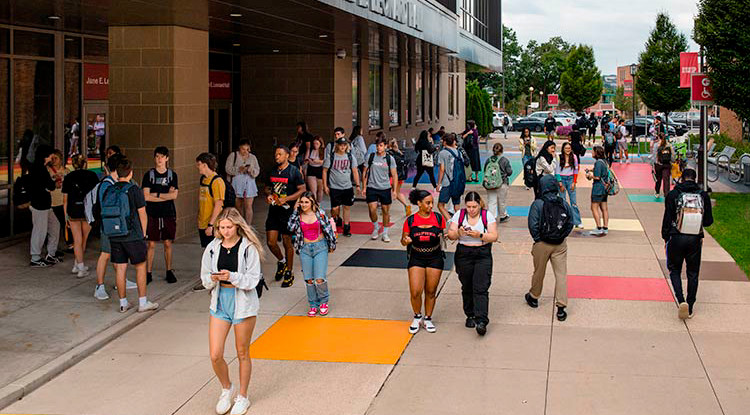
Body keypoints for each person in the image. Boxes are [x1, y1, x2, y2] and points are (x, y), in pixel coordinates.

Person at [200, 208, 263, 415]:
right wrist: (214, 278)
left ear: (237, 226)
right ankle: (227, 388)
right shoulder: (212, 248)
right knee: (215, 354)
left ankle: (242, 396)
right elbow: (205, 278)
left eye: (229, 227)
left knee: (242, 352)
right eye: (222, 227)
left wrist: (231, 277)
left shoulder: (248, 248)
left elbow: (253, 279)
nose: (225, 231)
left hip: (243, 303)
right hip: (220, 301)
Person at [106, 157, 158, 313]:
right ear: (130, 173)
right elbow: (143, 213)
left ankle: (123, 303)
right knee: (140, 266)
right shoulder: (134, 189)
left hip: (115, 234)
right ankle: (143, 302)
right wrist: (143, 233)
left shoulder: (110, 189)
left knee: (120, 268)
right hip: (133, 234)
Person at [661, 168, 713, 320]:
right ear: (695, 179)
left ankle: (681, 300)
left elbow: (667, 218)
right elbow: (709, 222)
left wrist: (665, 237)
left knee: (674, 270)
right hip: (695, 239)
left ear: (682, 178)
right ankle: (690, 306)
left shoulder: (673, 194)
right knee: (693, 272)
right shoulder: (702, 195)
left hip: (676, 237)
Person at [446, 192, 498, 335]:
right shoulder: (459, 215)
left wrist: (480, 235)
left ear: (479, 204)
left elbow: (494, 236)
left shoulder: (487, 216)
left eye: (474, 207)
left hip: (482, 253)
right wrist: (459, 233)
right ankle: (470, 314)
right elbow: (450, 233)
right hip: (464, 254)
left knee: (481, 287)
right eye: (469, 207)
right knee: (467, 285)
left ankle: (482, 320)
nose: (471, 210)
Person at [525, 175, 574, 322]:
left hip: (542, 244)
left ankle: (534, 296)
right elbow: (570, 222)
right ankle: (561, 307)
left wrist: (538, 239)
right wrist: (562, 236)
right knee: (561, 275)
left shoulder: (538, 204)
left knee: (539, 272)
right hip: (560, 244)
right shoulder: (563, 203)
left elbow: (532, 225)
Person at [401, 189, 446, 334]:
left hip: (435, 257)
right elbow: (403, 240)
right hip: (416, 257)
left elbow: (447, 234)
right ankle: (417, 316)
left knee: (431, 291)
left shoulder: (438, 219)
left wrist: (450, 234)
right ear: (419, 204)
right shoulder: (410, 220)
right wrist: (405, 240)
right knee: (415, 291)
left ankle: (428, 318)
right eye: (427, 203)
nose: (431, 206)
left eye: (432, 203)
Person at [288, 192, 337, 317]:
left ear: (312, 203)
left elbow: (328, 229)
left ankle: (323, 302)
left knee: (319, 278)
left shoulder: (319, 214)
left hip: (320, 247)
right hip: (305, 248)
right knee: (309, 280)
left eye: (306, 202)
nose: (304, 205)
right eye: (302, 202)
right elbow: (290, 227)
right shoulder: (298, 215)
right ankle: (313, 304)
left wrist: (332, 246)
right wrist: (294, 210)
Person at [266, 146, 306, 287]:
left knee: (287, 242)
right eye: (275, 154)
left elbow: (302, 189)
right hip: (274, 211)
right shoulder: (272, 170)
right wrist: (269, 195)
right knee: (271, 242)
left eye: (280, 154)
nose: (277, 156)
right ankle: (282, 261)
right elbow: (267, 187)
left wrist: (287, 198)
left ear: (287, 155)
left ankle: (289, 272)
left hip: (288, 212)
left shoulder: (294, 171)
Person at [142, 146, 179, 284]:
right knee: (151, 244)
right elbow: (145, 196)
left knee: (168, 243)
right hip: (152, 213)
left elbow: (174, 195)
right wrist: (165, 196)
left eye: (162, 157)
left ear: (167, 158)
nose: (159, 159)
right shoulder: (149, 175)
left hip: (168, 212)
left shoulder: (172, 175)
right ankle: (148, 272)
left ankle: (169, 271)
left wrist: (155, 194)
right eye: (157, 156)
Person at [62, 154, 99, 277]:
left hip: (73, 210)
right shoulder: (92, 176)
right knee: (84, 239)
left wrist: (65, 216)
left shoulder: (68, 177)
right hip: (87, 210)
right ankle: (80, 265)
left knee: (76, 239)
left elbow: (65, 200)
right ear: (85, 163)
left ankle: (78, 264)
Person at [361, 136, 398, 242]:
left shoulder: (389, 159)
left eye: (381, 145)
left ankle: (385, 233)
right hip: (372, 187)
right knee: (372, 209)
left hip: (385, 188)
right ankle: (376, 226)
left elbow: (394, 175)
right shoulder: (371, 157)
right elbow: (365, 172)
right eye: (377, 146)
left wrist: (394, 190)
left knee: (385, 211)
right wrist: (364, 187)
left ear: (385, 146)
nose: (379, 148)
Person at [28, 145, 59, 267]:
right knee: (40, 230)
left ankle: (51, 253)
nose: (52, 157)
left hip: (44, 204)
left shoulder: (39, 168)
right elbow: (50, 186)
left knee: (54, 226)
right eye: (51, 155)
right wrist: (54, 182)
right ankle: (35, 257)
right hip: (40, 204)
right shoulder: (40, 169)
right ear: (46, 155)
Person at [322, 135, 360, 237]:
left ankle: (346, 227)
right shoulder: (331, 157)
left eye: (344, 145)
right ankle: (335, 219)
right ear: (337, 146)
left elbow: (355, 171)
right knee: (335, 209)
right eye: (341, 145)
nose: (343, 147)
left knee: (346, 207)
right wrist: (325, 186)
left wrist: (357, 185)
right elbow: (325, 171)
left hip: (347, 186)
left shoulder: (350, 157)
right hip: (334, 187)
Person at [225, 139, 260, 226]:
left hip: (249, 183)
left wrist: (251, 170)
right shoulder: (233, 156)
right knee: (238, 205)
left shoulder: (252, 157)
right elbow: (227, 169)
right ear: (239, 148)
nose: (245, 151)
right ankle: (241, 224)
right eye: (243, 149)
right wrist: (239, 169)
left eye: (247, 149)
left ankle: (248, 226)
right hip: (237, 183)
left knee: (248, 206)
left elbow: (257, 170)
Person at [196, 153, 226, 248]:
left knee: (214, 251)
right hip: (202, 222)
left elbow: (218, 205)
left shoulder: (217, 181)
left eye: (199, 164)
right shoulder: (203, 180)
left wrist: (211, 225)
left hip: (212, 224)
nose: (197, 167)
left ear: (205, 165)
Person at [48, 149, 71, 257]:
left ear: (61, 159)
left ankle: (70, 243)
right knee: (52, 227)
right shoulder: (47, 171)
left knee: (65, 224)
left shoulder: (66, 171)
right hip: (52, 202)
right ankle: (52, 247)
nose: (53, 160)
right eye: (52, 158)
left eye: (55, 158)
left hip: (63, 201)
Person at [436, 133, 464, 219]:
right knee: (456, 205)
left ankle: (450, 221)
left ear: (444, 142)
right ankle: (460, 222)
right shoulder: (458, 153)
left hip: (446, 182)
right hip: (458, 182)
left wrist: (439, 183)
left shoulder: (443, 153)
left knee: (440, 205)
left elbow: (442, 169)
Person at [556, 142, 583, 229]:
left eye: (569, 148)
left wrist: (574, 182)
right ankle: (563, 221)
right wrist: (559, 182)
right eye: (566, 148)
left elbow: (575, 170)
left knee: (573, 202)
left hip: (571, 179)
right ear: (563, 149)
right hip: (562, 180)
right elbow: (557, 171)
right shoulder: (559, 157)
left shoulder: (574, 157)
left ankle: (577, 221)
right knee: (562, 201)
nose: (568, 150)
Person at [482, 143, 512, 223]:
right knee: (502, 201)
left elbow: (485, 170)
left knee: (492, 201)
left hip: (490, 183)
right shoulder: (505, 160)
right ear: (502, 150)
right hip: (502, 183)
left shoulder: (489, 160)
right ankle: (503, 216)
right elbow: (509, 172)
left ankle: (492, 217)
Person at [586, 146, 610, 236]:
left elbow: (597, 177)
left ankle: (598, 227)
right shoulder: (604, 162)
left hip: (598, 188)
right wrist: (591, 170)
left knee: (594, 207)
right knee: (604, 208)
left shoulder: (598, 163)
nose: (592, 153)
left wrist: (589, 176)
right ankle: (605, 227)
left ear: (596, 153)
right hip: (605, 189)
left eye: (593, 151)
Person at [388, 138, 410, 215]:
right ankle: (407, 206)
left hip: (392, 176)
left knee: (390, 193)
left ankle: (386, 210)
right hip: (400, 176)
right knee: (397, 193)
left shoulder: (389, 154)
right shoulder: (399, 153)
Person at [304, 135, 325, 203]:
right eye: (314, 144)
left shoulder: (323, 150)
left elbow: (326, 161)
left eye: (317, 144)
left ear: (320, 144)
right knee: (313, 190)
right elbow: (306, 159)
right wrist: (308, 149)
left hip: (320, 169)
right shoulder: (310, 150)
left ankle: (319, 204)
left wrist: (317, 161)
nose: (315, 145)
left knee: (320, 189)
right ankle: (314, 205)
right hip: (311, 169)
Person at [653, 133, 674, 198]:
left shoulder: (656, 145)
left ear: (659, 137)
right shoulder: (669, 145)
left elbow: (654, 155)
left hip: (659, 164)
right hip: (667, 164)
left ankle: (657, 191)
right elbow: (673, 155)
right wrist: (672, 161)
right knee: (666, 179)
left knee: (658, 179)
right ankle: (666, 194)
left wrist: (654, 164)